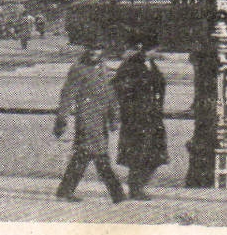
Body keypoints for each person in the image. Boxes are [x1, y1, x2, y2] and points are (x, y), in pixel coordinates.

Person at [53, 44, 125, 203]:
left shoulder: (103, 68)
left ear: (102, 51)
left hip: (101, 120)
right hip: (86, 120)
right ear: (86, 49)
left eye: (98, 48)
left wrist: (114, 117)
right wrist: (62, 119)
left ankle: (65, 191)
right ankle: (117, 194)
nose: (94, 51)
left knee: (83, 155)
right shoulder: (79, 68)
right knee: (99, 156)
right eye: (91, 48)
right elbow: (67, 95)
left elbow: (110, 95)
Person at [111, 32, 168, 200]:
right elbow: (119, 87)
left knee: (155, 155)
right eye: (155, 50)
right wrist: (132, 108)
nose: (157, 52)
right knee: (138, 154)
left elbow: (159, 84)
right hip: (137, 117)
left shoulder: (150, 64)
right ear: (144, 49)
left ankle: (139, 186)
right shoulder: (131, 65)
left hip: (153, 116)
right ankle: (135, 188)